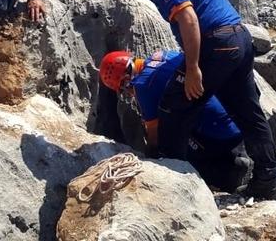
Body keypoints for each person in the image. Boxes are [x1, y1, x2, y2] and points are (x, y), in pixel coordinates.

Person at [104, 0, 276, 200]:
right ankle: (268, 179)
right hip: (239, 37)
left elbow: (189, 19)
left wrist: (192, 68)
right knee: (247, 111)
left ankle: (173, 180)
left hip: (217, 43)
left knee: (173, 106)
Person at [99, 49, 251, 192]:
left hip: (218, 131)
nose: (129, 94)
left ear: (126, 79)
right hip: (236, 118)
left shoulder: (143, 85)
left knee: (173, 146)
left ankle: (230, 172)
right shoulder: (162, 55)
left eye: (124, 89)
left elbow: (154, 134)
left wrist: (151, 158)